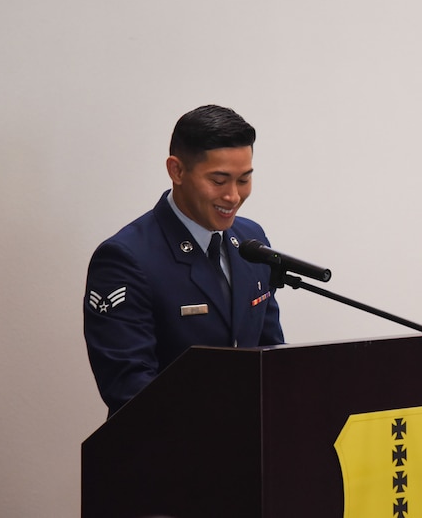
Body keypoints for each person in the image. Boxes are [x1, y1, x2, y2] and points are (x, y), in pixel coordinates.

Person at [84, 105, 284, 418]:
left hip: (248, 451)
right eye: (219, 181)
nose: (233, 196)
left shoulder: (251, 240)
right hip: (165, 455)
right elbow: (128, 388)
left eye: (244, 180)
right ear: (177, 171)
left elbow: (271, 356)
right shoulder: (126, 258)